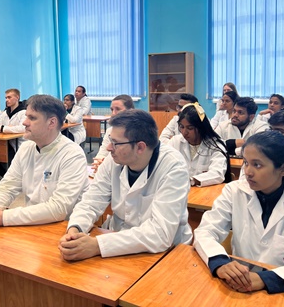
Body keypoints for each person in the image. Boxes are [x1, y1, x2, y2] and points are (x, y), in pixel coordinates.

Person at [194, 131, 284, 294]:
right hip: (237, 286)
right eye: (246, 163)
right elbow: (205, 231)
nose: (248, 172)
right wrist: (219, 262)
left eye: (257, 165)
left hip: (282, 292)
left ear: (283, 169)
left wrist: (266, 279)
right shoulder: (234, 191)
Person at [58, 109, 192, 261]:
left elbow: (160, 234)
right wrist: (75, 229)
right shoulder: (113, 160)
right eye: (110, 140)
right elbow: (90, 202)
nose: (109, 148)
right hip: (117, 241)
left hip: (164, 252)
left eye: (115, 143)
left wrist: (98, 245)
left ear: (140, 147)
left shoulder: (173, 166)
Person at [0, 94, 89, 228]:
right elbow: (7, 186)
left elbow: (59, 208)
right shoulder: (26, 148)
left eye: (32, 118)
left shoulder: (72, 154)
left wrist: (3, 217)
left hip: (65, 228)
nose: (24, 122)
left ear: (52, 123)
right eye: (26, 116)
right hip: (31, 222)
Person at [169, 103, 231, 186]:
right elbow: (165, 165)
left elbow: (217, 173)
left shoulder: (215, 145)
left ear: (201, 127)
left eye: (190, 128)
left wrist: (191, 180)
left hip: (205, 192)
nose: (184, 132)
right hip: (177, 188)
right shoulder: (175, 141)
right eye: (182, 127)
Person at [0, 88, 27, 179]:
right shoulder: (5, 112)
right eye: (6, 98)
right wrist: (5, 128)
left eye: (9, 97)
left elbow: (22, 128)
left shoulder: (23, 112)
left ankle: (14, 178)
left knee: (6, 157)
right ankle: (8, 177)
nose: (7, 100)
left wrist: (3, 128)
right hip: (6, 142)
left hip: (19, 143)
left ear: (17, 97)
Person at [92, 94, 135, 174]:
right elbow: (102, 152)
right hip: (109, 172)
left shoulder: (137, 131)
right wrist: (98, 163)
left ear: (130, 111)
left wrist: (105, 165)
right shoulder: (110, 131)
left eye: (118, 109)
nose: (113, 114)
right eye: (112, 110)